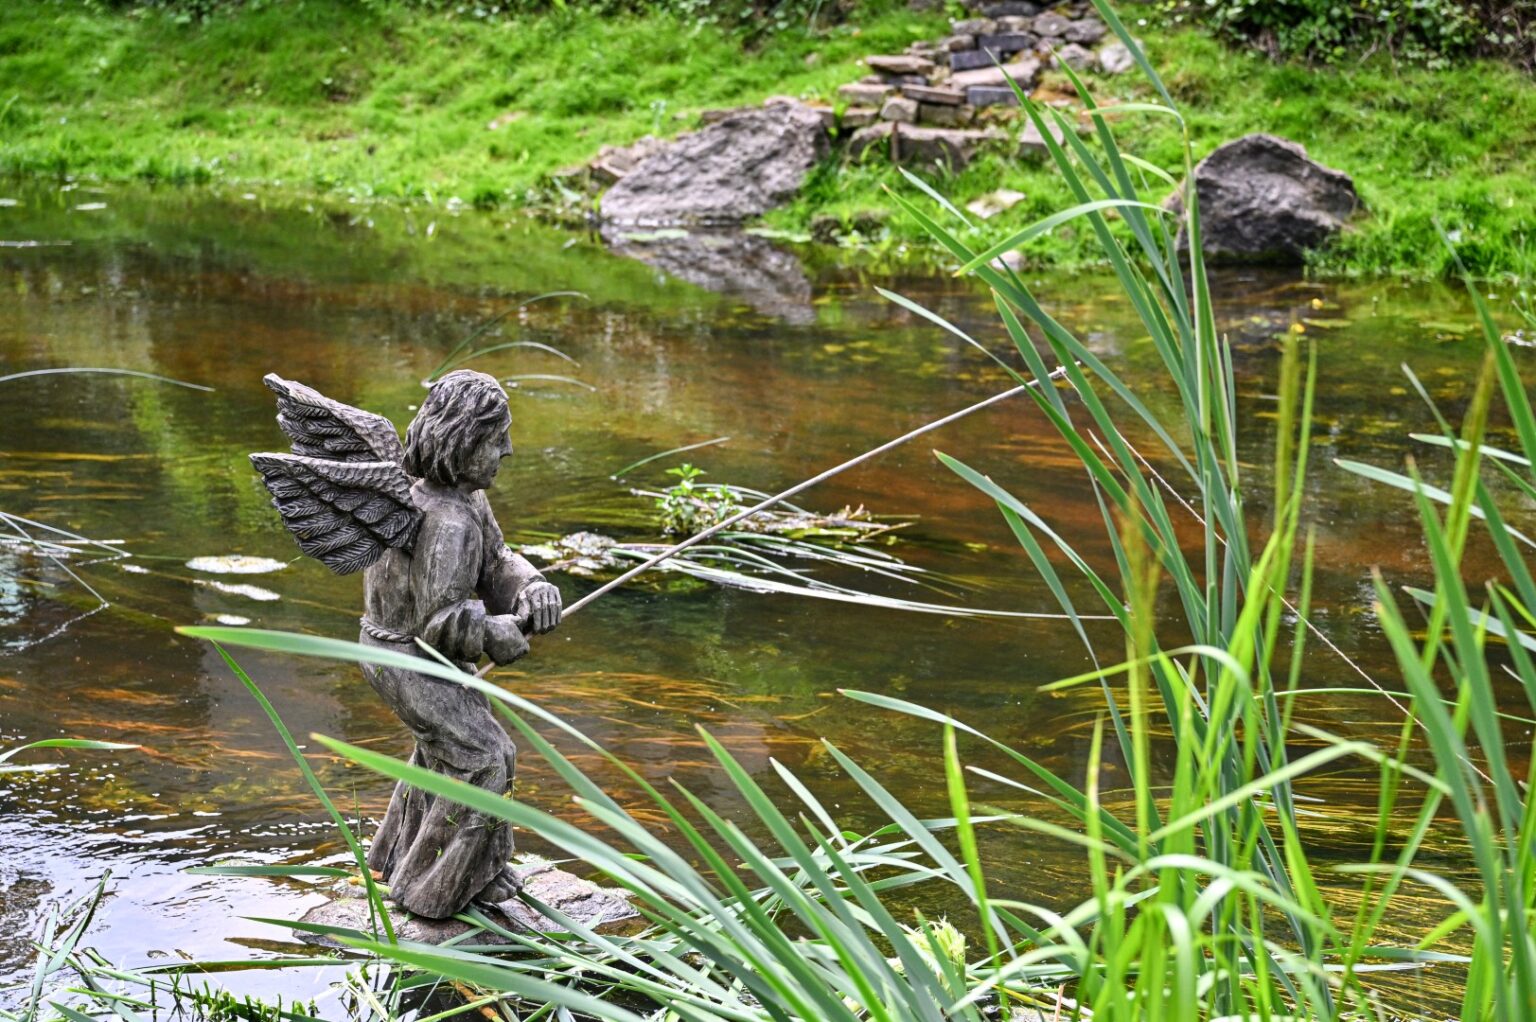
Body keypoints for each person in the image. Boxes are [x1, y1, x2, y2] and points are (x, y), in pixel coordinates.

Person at [355, 369, 561, 917]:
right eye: (497, 439)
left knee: (445, 749)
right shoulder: (445, 519)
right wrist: (491, 631)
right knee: (487, 759)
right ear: (463, 438)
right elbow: (437, 621)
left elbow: (497, 561)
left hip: (407, 651)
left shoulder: (466, 501)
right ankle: (431, 891)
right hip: (404, 656)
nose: (508, 450)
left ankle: (404, 860)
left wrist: (531, 586)